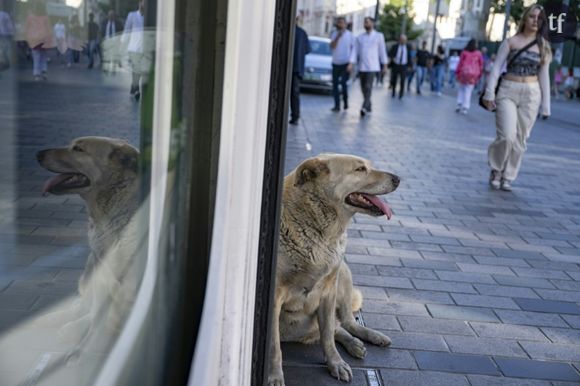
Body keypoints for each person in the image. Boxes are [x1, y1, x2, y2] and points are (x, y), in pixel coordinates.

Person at [482, 4, 552, 191]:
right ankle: (496, 169)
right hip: (508, 90)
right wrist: (489, 92)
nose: (535, 21)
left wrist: (546, 104)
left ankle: (508, 175)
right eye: (532, 17)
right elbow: (496, 67)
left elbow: (544, 75)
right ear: (525, 19)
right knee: (507, 135)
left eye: (539, 18)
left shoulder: (544, 46)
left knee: (520, 140)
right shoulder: (511, 42)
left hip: (531, 93)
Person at [348, 17, 386, 116]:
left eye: (368, 22)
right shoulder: (360, 37)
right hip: (362, 67)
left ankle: (364, 107)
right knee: (363, 88)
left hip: (373, 67)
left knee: (368, 87)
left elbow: (382, 52)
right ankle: (368, 104)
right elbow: (354, 51)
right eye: (365, 22)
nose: (366, 24)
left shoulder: (379, 36)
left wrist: (384, 65)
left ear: (372, 23)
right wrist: (351, 63)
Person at [289, 17, 310, 125]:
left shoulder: (287, 31)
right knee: (294, 93)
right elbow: (307, 50)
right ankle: (295, 116)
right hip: (297, 68)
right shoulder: (302, 33)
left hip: (289, 67)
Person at [123, 1, 146, 101]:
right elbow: (127, 30)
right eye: (143, 2)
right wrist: (123, 43)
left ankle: (133, 86)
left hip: (144, 48)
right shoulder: (131, 15)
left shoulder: (148, 17)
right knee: (136, 69)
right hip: (133, 48)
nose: (144, 5)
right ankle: (137, 89)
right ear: (140, 3)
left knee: (139, 70)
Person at [25, 1, 54, 81]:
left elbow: (27, 28)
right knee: (44, 56)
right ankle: (44, 72)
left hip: (34, 39)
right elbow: (49, 29)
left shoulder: (30, 17)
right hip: (44, 39)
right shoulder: (46, 17)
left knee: (36, 57)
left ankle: (36, 74)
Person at [329, 16, 353, 112]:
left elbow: (353, 50)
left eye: (342, 23)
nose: (340, 24)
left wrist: (351, 63)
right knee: (335, 85)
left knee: (343, 83)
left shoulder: (350, 35)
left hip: (346, 63)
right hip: (335, 63)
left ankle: (346, 102)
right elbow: (332, 46)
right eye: (339, 23)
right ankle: (337, 106)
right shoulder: (334, 34)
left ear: (345, 24)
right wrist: (337, 37)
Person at [454, 39, 483, 115]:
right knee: (468, 91)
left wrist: (457, 73)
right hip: (473, 75)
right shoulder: (478, 54)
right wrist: (479, 75)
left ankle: (459, 104)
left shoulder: (464, 52)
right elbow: (480, 65)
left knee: (461, 89)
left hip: (464, 74)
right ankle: (465, 107)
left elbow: (460, 63)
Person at [0, 1, 14, 72]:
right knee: (3, 49)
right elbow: (9, 26)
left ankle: (4, 62)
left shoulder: (5, 15)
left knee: (3, 50)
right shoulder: (5, 15)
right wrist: (11, 33)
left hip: (3, 35)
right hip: (4, 35)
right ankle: (5, 63)